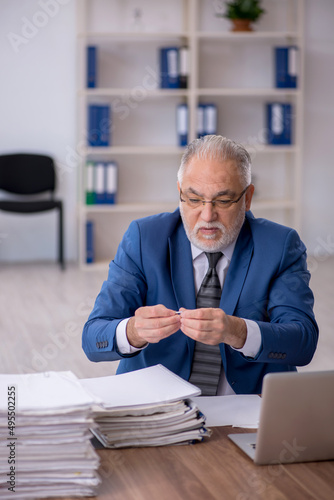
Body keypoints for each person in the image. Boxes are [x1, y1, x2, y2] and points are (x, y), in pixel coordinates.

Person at [82, 135, 318, 395]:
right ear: (179, 193)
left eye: (223, 201)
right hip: (158, 408)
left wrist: (237, 331)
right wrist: (132, 331)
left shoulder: (280, 245)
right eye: (194, 199)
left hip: (247, 410)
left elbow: (302, 342)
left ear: (247, 198)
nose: (207, 216)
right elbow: (93, 338)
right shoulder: (143, 238)